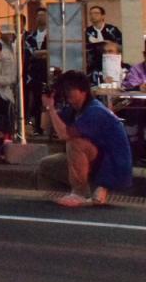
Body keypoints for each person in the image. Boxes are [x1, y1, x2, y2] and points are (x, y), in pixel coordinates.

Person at [37, 71, 133, 206]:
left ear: (83, 91)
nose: (66, 93)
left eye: (70, 88)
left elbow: (64, 135)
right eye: (64, 89)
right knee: (46, 164)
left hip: (112, 168)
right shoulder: (74, 109)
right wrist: (46, 106)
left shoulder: (95, 111)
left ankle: (80, 193)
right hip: (96, 162)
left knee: (75, 143)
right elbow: (44, 125)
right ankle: (71, 195)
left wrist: (51, 109)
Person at [24, 8, 50, 135]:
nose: (41, 18)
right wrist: (43, 53)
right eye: (38, 15)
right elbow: (30, 53)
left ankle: (49, 127)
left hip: (48, 71)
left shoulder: (52, 35)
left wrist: (41, 53)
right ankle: (36, 127)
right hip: (34, 73)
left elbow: (53, 51)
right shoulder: (30, 36)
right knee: (35, 100)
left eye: (43, 15)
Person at [86, 6, 122, 86]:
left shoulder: (112, 30)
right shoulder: (87, 32)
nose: (93, 15)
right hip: (93, 64)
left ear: (103, 16)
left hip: (111, 62)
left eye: (96, 13)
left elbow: (120, 45)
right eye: (91, 14)